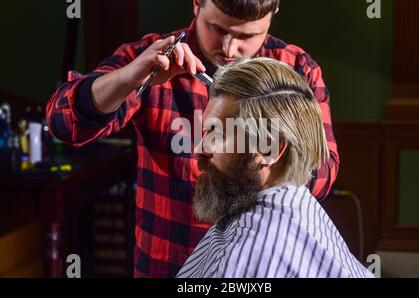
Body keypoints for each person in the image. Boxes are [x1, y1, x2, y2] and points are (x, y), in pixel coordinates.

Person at [46, 0, 340, 277]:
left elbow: (323, 169)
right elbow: (65, 123)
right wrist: (128, 78)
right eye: (218, 29)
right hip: (167, 260)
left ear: (273, 12)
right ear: (197, 3)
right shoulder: (153, 58)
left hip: (260, 261)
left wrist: (248, 165)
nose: (229, 49)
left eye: (247, 36)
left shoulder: (295, 71)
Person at [177, 57, 371, 278]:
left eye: (217, 133)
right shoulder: (291, 206)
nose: (199, 149)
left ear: (269, 148)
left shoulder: (256, 249)